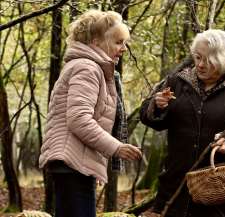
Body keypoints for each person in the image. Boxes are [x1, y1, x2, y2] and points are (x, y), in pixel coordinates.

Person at [139, 29, 225, 217]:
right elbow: (147, 115)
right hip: (176, 188)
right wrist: (157, 105)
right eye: (197, 57)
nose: (200, 65)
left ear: (224, 59)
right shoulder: (177, 82)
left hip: (223, 196)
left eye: (208, 60)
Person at [39, 10, 142, 217]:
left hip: (72, 164)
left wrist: (90, 165)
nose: (123, 48)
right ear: (96, 42)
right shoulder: (88, 68)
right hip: (70, 165)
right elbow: (79, 119)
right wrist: (117, 147)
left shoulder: (89, 67)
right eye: (118, 42)